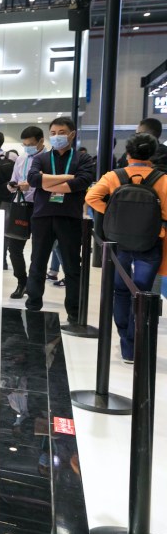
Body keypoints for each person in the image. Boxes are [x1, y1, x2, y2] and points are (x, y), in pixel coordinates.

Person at [86, 133, 167, 363]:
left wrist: (112, 213)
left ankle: (125, 342)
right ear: (152, 154)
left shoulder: (115, 176)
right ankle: (135, 343)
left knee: (120, 291)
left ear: (128, 153)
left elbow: (92, 197)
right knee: (141, 292)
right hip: (150, 242)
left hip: (119, 241)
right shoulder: (162, 179)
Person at [24, 117, 96, 324]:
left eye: (61, 132)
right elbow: (33, 180)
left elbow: (82, 182)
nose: (56, 136)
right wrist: (67, 177)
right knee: (37, 262)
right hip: (42, 216)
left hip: (69, 217)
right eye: (53, 133)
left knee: (72, 267)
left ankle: (74, 312)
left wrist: (49, 182)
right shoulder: (42, 158)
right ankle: (33, 305)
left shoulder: (82, 158)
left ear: (72, 134)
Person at [5, 126, 45, 299]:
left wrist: (33, 185)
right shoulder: (21, 158)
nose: (27, 147)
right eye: (25, 144)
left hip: (39, 207)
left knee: (38, 250)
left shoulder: (46, 158)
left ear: (41, 141)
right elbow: (14, 179)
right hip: (20, 206)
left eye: (30, 144)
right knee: (14, 248)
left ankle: (35, 285)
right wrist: (11, 185)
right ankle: (22, 281)